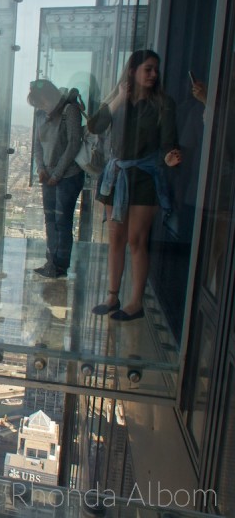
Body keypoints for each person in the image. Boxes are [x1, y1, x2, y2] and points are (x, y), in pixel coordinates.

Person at [88, 50, 182, 320]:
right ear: (132, 71)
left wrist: (169, 158)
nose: (153, 74)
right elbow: (94, 126)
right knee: (115, 238)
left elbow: (168, 143)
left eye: (156, 70)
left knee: (136, 240)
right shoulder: (119, 102)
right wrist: (119, 98)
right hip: (116, 175)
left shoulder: (164, 104)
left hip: (144, 176)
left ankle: (136, 302)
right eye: (148, 69)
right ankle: (112, 295)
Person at [30, 79, 84, 278]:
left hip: (68, 175)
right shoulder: (39, 115)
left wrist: (57, 174)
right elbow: (37, 144)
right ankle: (51, 261)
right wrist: (41, 169)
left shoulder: (69, 111)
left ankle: (60, 265)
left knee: (62, 221)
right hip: (49, 176)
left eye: (42, 102)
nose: (41, 106)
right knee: (50, 219)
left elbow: (73, 145)